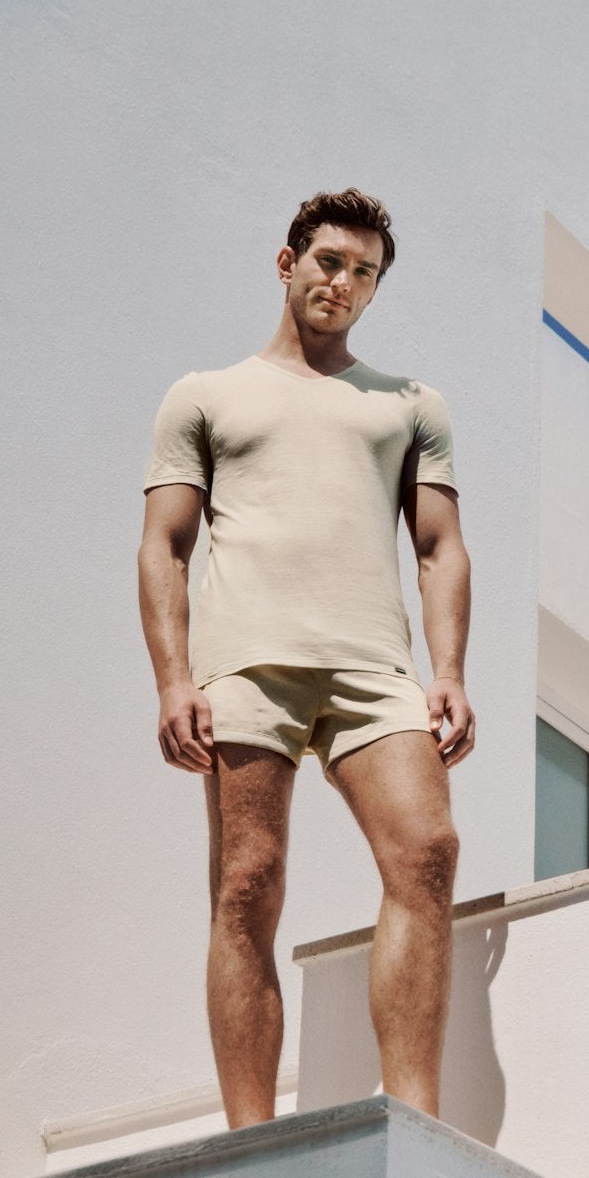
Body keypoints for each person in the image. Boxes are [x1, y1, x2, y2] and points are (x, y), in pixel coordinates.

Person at [137, 187, 474, 1129]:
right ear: (289, 263)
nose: (345, 282)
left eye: (365, 272)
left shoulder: (410, 405)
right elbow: (164, 544)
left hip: (375, 669)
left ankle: (414, 1117)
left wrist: (447, 673)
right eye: (330, 261)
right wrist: (173, 680)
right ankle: (250, 1137)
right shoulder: (204, 395)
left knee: (428, 852)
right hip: (249, 667)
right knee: (249, 880)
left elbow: (440, 547)